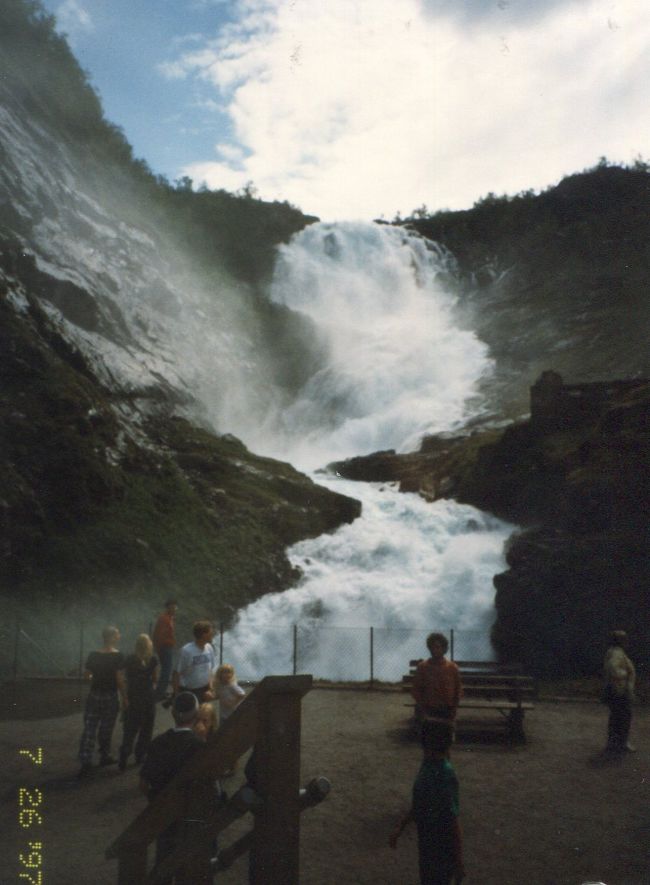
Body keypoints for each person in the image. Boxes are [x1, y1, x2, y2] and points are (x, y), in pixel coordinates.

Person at [389, 718, 465, 885]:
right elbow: (420, 804)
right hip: (429, 844)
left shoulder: (443, 774)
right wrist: (400, 827)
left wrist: (459, 859)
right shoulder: (432, 766)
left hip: (440, 848)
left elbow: (452, 819)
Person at [140, 692, 204, 884]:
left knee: (164, 855)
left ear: (173, 713)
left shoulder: (158, 742)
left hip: (163, 809)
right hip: (190, 811)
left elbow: (143, 783)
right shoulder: (198, 745)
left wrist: (156, 799)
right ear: (196, 714)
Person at [77, 626, 126, 778]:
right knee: (106, 727)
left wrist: (95, 677)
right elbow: (119, 679)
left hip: (94, 694)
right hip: (110, 695)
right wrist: (124, 696)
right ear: (111, 637)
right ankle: (105, 755)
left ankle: (86, 760)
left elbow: (86, 676)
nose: (119, 636)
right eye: (117, 634)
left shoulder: (93, 655)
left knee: (90, 727)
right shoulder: (118, 656)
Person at [119, 633, 159, 770]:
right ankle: (140, 754)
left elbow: (123, 675)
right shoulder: (152, 659)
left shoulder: (129, 659)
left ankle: (125, 752)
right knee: (147, 727)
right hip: (147, 696)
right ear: (149, 646)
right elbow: (155, 679)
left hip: (133, 696)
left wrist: (124, 697)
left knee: (131, 727)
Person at [411, 633, 462, 721]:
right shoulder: (422, 667)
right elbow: (416, 690)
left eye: (438, 647)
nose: (434, 650)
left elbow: (458, 690)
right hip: (427, 709)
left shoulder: (452, 668)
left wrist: (454, 709)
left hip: (446, 710)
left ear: (444, 649)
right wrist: (422, 709)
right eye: (432, 647)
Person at [603, 629, 636, 754]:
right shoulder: (617, 653)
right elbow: (613, 668)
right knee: (623, 718)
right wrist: (625, 674)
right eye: (624, 639)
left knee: (616, 717)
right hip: (619, 690)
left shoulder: (614, 651)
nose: (626, 641)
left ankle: (614, 743)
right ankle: (621, 743)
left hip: (616, 689)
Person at [172, 620, 217, 705]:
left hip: (205, 690)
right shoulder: (186, 651)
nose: (212, 635)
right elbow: (176, 674)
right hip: (189, 692)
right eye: (210, 633)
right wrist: (176, 695)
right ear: (204, 634)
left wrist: (210, 688)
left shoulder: (209, 648)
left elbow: (210, 670)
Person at [153, 599, 178, 702]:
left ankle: (161, 691)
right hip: (165, 647)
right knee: (166, 671)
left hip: (167, 647)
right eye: (172, 607)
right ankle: (159, 694)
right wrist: (159, 648)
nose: (174, 609)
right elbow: (159, 635)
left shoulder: (170, 618)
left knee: (166, 670)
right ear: (167, 608)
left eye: (175, 607)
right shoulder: (164, 619)